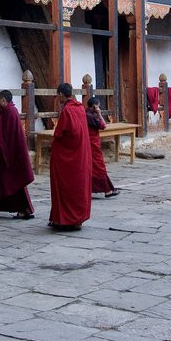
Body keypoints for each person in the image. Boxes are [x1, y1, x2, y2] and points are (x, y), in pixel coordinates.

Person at [0, 90, 35, 219]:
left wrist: (3, 151)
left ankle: (24, 209)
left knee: (14, 182)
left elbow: (10, 136)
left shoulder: (11, 112)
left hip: (8, 155)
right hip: (2, 153)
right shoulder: (6, 111)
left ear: (3, 100)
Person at [48, 83, 92, 231]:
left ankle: (65, 219)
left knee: (65, 186)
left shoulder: (67, 110)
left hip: (68, 157)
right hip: (81, 154)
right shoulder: (79, 108)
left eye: (58, 95)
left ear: (61, 94)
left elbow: (60, 134)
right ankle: (76, 219)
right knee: (78, 186)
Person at [85, 97, 118, 198]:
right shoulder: (91, 116)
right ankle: (107, 190)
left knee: (89, 167)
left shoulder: (85, 113)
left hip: (87, 143)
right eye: (98, 106)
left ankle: (88, 189)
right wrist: (99, 114)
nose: (99, 108)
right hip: (92, 144)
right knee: (99, 167)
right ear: (94, 106)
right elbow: (103, 126)